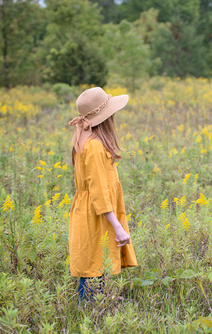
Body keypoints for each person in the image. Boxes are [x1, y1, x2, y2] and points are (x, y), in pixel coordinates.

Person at [67, 87, 138, 303]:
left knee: (95, 264)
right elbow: (98, 192)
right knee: (95, 267)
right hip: (96, 216)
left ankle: (94, 311)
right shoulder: (95, 146)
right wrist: (118, 227)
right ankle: (90, 315)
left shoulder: (84, 140)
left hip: (90, 213)